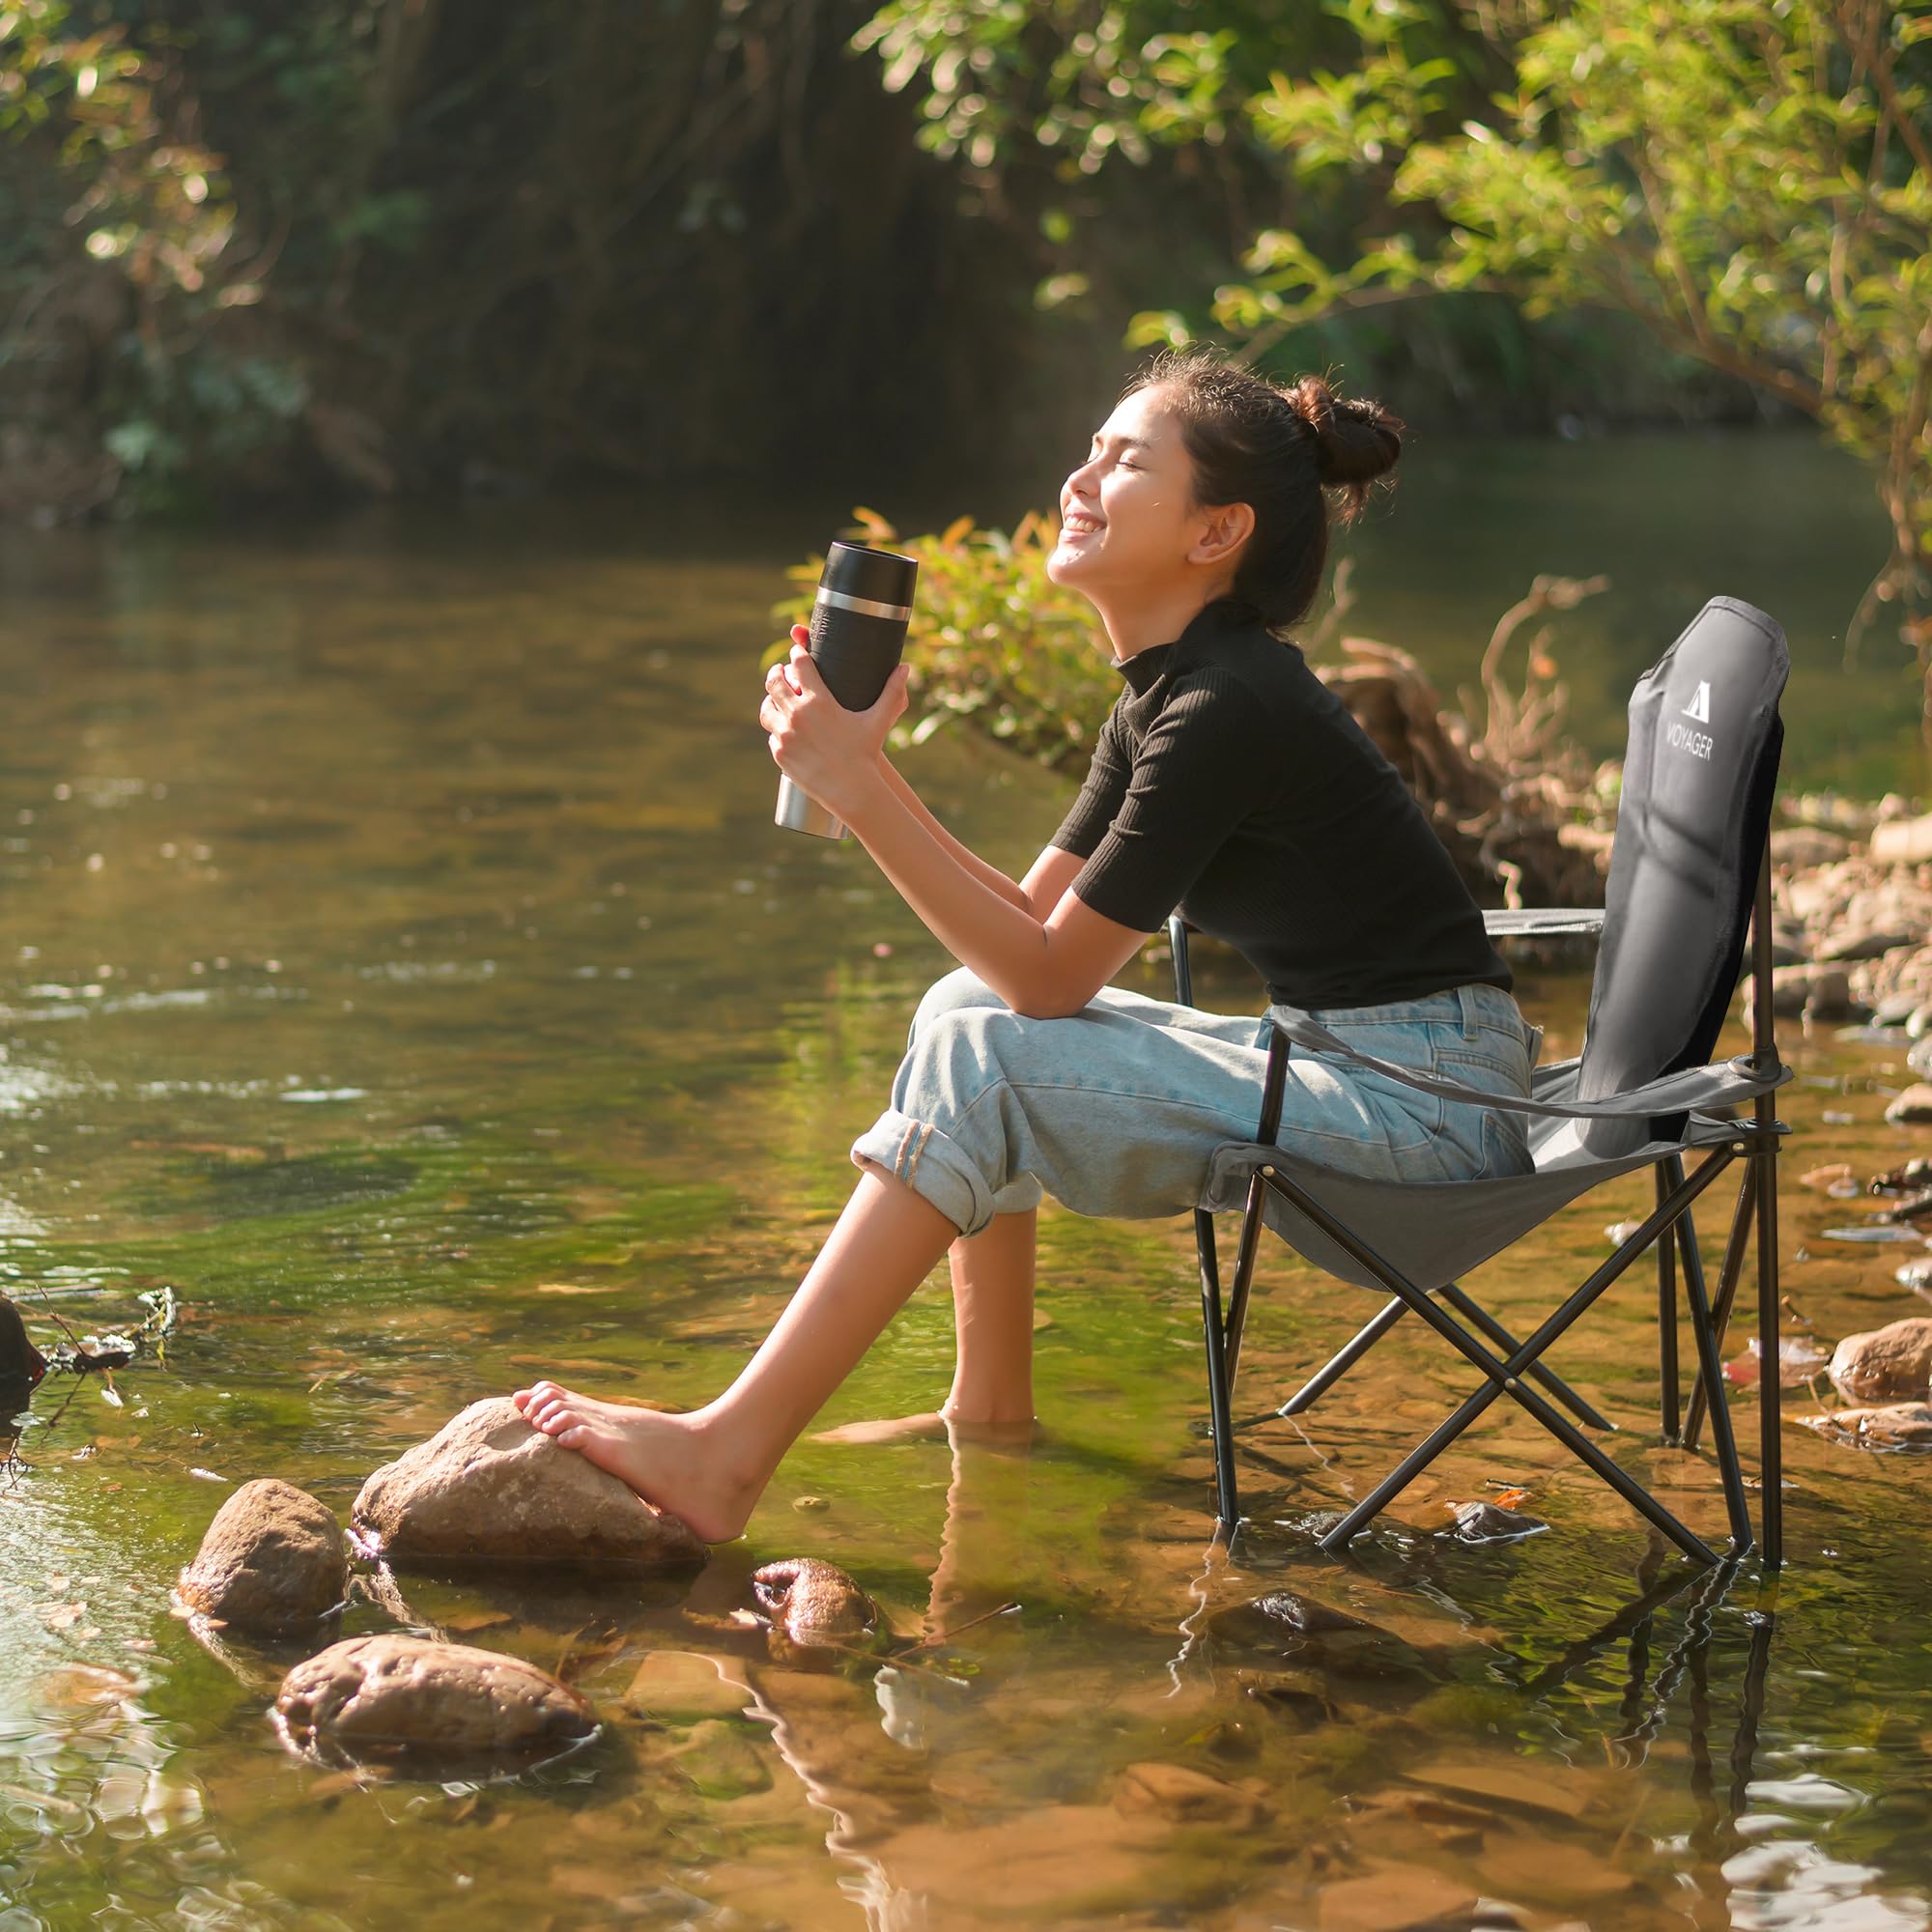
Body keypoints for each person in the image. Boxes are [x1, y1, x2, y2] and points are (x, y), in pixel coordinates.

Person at [511, 348, 1539, 1543]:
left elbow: (1049, 977)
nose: (1081, 475)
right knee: (960, 1010)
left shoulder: (1226, 709)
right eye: (1090, 449)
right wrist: (861, 781)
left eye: (1125, 460)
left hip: (1423, 1114)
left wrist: (863, 784)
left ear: (1215, 534)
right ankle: (986, 1409)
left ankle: (726, 1451)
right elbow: (1021, 946)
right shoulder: (1166, 693)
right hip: (1373, 1071)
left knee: (987, 1052)